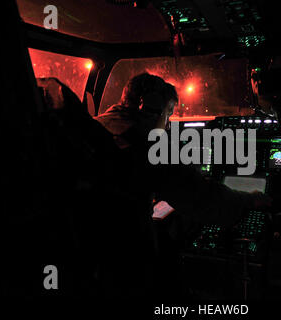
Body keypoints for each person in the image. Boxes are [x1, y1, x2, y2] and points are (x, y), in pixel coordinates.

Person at [94, 73, 271, 297]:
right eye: (167, 114)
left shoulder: (94, 125)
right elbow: (202, 198)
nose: (167, 125)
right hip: (120, 259)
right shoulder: (144, 143)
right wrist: (250, 200)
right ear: (149, 107)